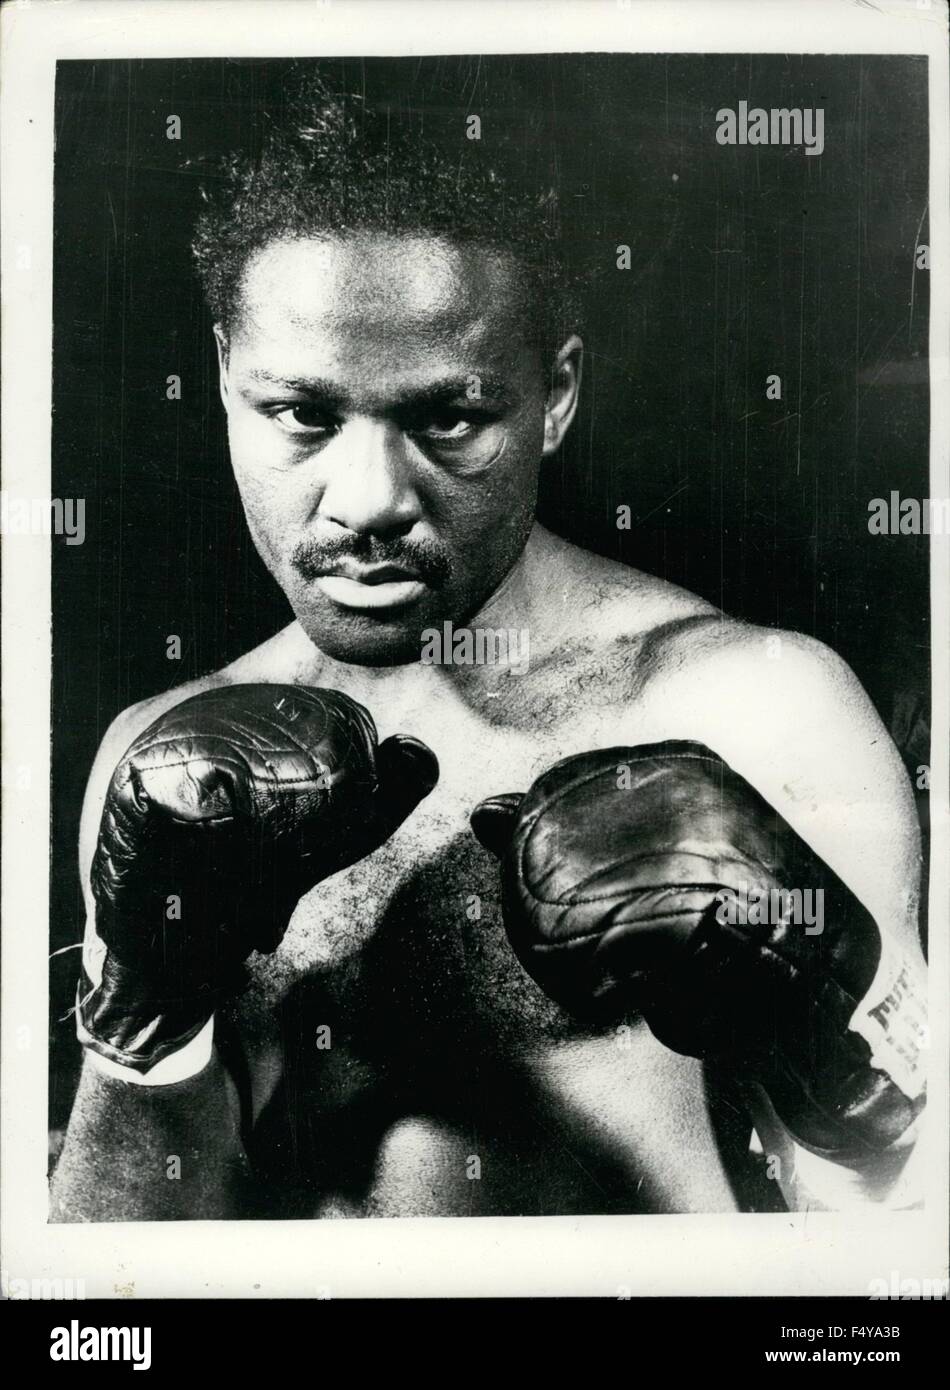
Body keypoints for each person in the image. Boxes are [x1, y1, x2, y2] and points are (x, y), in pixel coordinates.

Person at [50, 78, 928, 1221]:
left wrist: (836, 1070)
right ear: (224, 373)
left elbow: (901, 1253)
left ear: (554, 394)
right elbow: (119, 1277)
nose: (365, 501)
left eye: (448, 417)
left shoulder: (756, 705)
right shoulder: (161, 761)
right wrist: (141, 1021)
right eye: (303, 416)